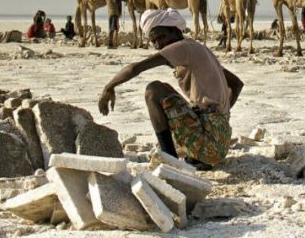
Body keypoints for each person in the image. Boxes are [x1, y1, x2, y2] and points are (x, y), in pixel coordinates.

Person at [98, 9, 243, 169]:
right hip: (221, 141)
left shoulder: (183, 47)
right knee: (168, 91)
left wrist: (108, 87)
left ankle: (170, 162)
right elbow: (236, 84)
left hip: (210, 144)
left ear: (174, 31)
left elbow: (135, 68)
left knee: (154, 90)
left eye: (161, 37)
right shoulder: (200, 50)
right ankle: (196, 157)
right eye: (154, 41)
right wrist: (221, 115)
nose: (159, 45)